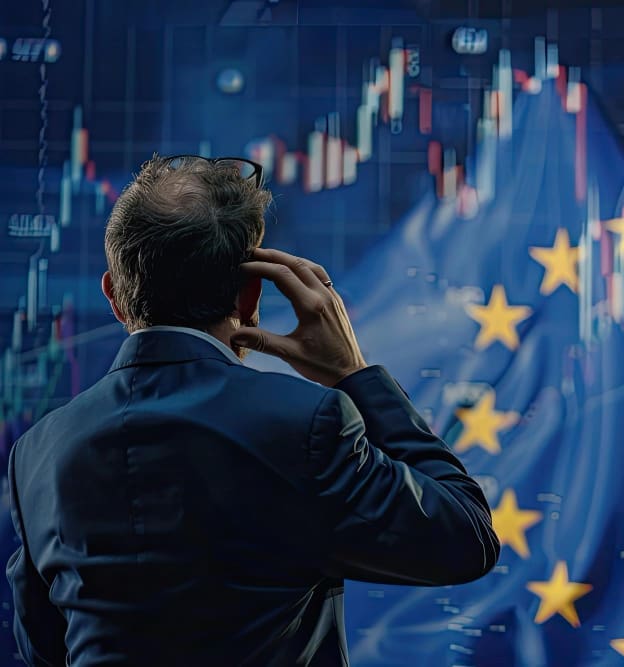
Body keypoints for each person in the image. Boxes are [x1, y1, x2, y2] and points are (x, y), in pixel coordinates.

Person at [6, 155, 499, 665]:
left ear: (114, 295)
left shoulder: (37, 453)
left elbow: (44, 647)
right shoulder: (306, 426)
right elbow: (467, 539)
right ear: (250, 294)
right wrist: (356, 374)